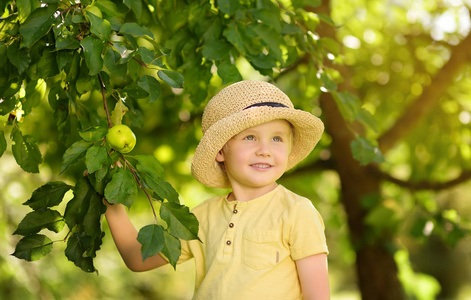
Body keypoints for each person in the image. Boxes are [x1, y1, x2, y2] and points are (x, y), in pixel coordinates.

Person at [105, 80, 330, 299]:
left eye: (277, 139)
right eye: (250, 137)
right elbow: (137, 258)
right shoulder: (202, 217)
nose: (265, 150)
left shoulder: (296, 211)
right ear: (220, 151)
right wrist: (111, 204)